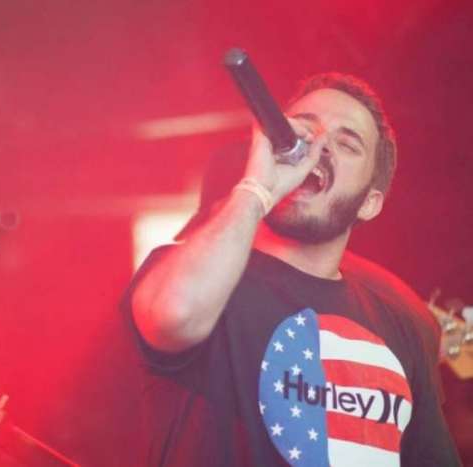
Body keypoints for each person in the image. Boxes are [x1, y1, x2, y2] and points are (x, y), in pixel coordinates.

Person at [122, 73, 461, 466]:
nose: (319, 146)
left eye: (347, 143)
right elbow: (175, 315)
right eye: (304, 129)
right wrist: (256, 189)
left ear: (369, 203)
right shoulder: (197, 277)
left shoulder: (402, 318)